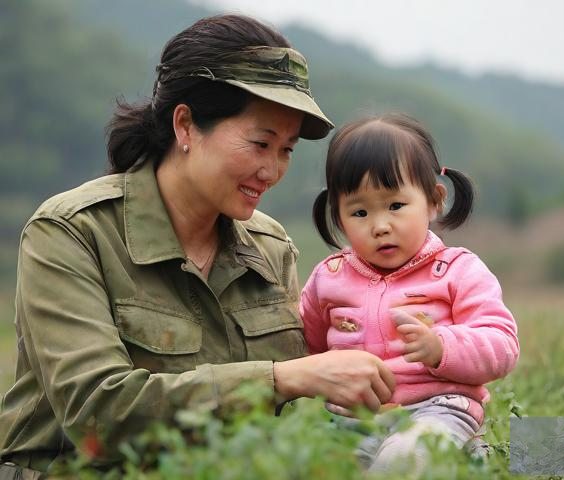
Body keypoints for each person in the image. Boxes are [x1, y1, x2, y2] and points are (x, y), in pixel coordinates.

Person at [0, 15, 396, 478]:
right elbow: (97, 414)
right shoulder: (72, 232)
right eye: (259, 143)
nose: (271, 170)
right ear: (185, 125)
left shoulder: (270, 249)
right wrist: (282, 380)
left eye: (286, 149)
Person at [300, 113, 520, 472]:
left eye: (396, 206)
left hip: (436, 413)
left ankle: (472, 456)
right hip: (349, 423)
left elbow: (502, 343)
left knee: (404, 460)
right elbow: (301, 344)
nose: (380, 225)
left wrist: (441, 347)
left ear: (434, 201)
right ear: (338, 217)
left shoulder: (456, 270)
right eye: (359, 212)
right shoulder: (329, 278)